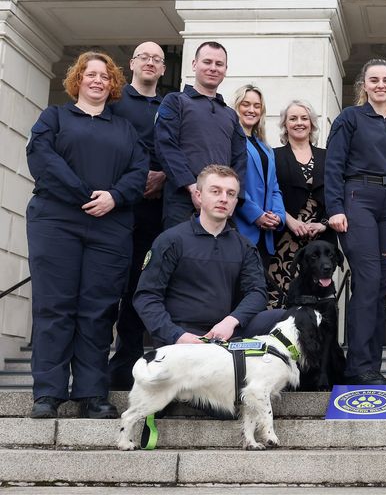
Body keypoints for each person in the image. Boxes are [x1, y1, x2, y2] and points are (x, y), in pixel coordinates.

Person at [26, 51, 148, 419]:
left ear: (113, 85)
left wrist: (114, 196)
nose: (97, 80)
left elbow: (139, 171)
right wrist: (84, 194)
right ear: (77, 80)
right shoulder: (55, 117)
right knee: (54, 307)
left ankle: (92, 393)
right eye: (90, 74)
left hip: (109, 227)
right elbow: (43, 158)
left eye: (105, 76)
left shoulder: (125, 129)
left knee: (98, 310)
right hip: (56, 221)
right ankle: (48, 392)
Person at [324, 58, 386, 385]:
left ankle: (372, 368)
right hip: (358, 199)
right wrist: (334, 207)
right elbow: (333, 166)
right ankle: (358, 367)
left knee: (380, 289)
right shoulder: (349, 119)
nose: (380, 85)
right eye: (374, 80)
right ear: (364, 85)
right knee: (367, 282)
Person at [134, 164, 282, 347]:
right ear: (198, 196)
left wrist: (231, 321)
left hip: (227, 333)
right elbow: (147, 296)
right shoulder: (171, 240)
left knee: (285, 318)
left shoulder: (244, 246)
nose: (223, 199)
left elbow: (257, 292)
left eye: (230, 194)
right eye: (215, 191)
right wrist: (176, 335)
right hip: (181, 336)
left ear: (236, 202)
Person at [107, 42, 169, 390]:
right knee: (112, 289)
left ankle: (132, 366)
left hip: (157, 211)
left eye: (157, 59)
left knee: (141, 288)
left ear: (163, 69)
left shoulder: (171, 105)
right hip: (118, 209)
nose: (150, 62)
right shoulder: (115, 102)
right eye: (144, 57)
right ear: (132, 63)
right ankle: (105, 373)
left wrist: (163, 176)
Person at [155, 41, 247, 229]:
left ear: (225, 69)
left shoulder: (230, 114)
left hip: (220, 206)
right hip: (182, 203)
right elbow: (166, 146)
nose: (213, 68)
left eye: (219, 64)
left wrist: (232, 195)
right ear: (194, 64)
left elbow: (240, 159)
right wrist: (191, 186)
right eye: (207, 62)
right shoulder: (175, 101)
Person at [268, 99, 336, 307]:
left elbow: (337, 192)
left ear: (312, 123)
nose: (299, 122)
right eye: (293, 118)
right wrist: (289, 221)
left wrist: (324, 223)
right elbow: (269, 192)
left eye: (304, 118)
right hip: (285, 238)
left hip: (321, 239)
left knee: (319, 300)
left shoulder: (328, 156)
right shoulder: (273, 155)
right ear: (285, 124)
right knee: (281, 298)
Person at [232, 84, 285, 275]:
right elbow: (233, 184)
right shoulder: (232, 140)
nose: (251, 110)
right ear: (236, 106)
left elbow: (274, 187)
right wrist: (257, 215)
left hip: (266, 235)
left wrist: (278, 216)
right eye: (246, 104)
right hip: (241, 228)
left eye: (257, 106)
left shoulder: (265, 147)